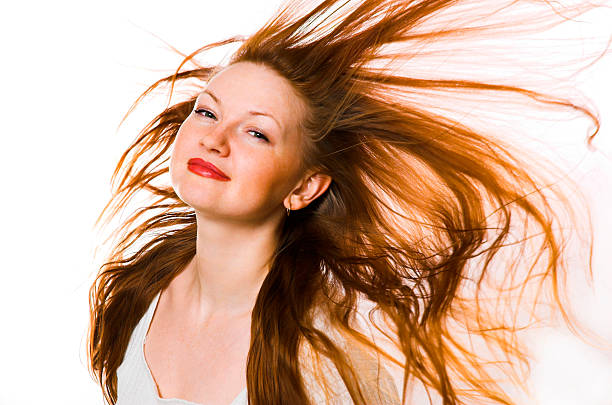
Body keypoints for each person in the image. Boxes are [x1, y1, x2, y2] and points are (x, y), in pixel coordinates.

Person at [87, 0, 611, 404]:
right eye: (206, 113)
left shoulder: (321, 353)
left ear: (304, 188)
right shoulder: (135, 293)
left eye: (257, 134)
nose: (214, 140)